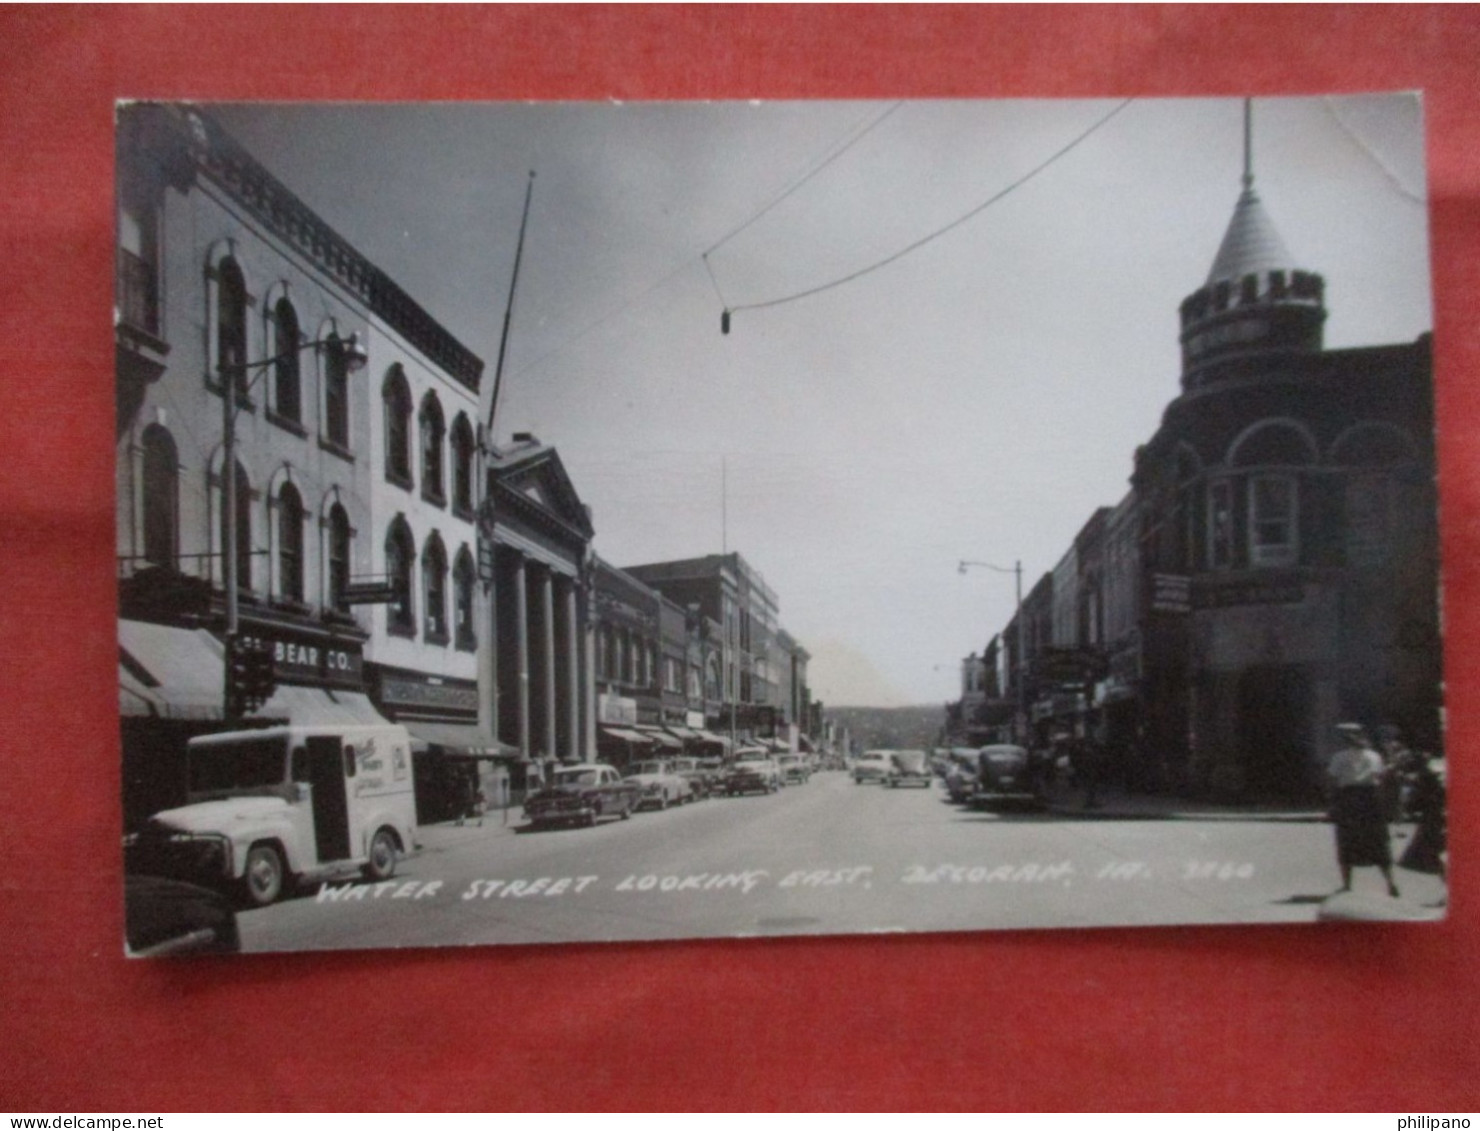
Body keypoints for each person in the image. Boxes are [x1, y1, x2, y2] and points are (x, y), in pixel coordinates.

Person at [1326, 723, 1400, 897]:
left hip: (1349, 798)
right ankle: (1390, 882)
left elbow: (1331, 779)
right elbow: (1380, 777)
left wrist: (1332, 801)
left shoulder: (1339, 757)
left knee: (1347, 840)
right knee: (1378, 840)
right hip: (1371, 799)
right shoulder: (1374, 756)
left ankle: (1347, 885)